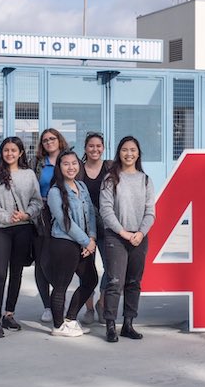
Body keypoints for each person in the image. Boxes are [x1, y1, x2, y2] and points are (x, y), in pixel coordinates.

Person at [0, 137, 42, 338]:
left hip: (23, 228)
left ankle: (9, 313)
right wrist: (8, 217)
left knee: (17, 272)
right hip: (0, 228)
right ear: (2, 152)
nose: (10, 153)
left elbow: (37, 201)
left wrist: (26, 214)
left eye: (14, 150)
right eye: (6, 150)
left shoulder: (28, 174)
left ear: (21, 153)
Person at [100, 136, 156, 343]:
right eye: (124, 150)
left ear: (138, 153)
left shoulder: (146, 180)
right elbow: (106, 211)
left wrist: (140, 233)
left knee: (134, 282)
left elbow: (150, 212)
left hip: (139, 237)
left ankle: (128, 324)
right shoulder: (110, 179)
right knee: (115, 281)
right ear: (119, 153)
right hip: (116, 236)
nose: (129, 153)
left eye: (133, 150)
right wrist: (123, 233)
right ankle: (110, 326)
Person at [46, 149, 99, 337]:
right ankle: (58, 326)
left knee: (91, 280)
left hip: (84, 242)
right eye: (66, 163)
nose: (71, 167)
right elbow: (64, 222)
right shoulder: (55, 192)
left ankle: (70, 319)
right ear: (59, 167)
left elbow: (91, 213)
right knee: (61, 284)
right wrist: (86, 241)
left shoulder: (82, 186)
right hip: (64, 243)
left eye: (74, 163)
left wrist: (91, 237)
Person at [32, 128, 68, 324]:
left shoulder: (70, 159)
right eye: (45, 140)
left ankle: (59, 302)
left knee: (62, 261)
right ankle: (47, 305)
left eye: (52, 138)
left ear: (59, 140)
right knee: (42, 261)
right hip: (42, 216)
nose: (48, 142)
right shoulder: (37, 164)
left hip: (66, 216)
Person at [77, 131, 111, 325]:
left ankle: (102, 302)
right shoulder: (78, 168)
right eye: (91, 146)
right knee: (87, 270)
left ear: (103, 148)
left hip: (106, 226)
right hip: (84, 228)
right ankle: (89, 308)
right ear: (85, 148)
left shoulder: (110, 168)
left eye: (98, 146)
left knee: (111, 268)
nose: (95, 149)